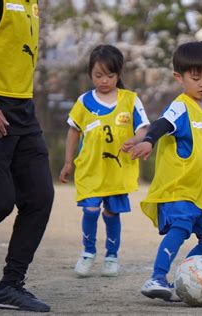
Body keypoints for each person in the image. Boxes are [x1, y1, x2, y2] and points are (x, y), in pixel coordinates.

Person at [130, 41, 202, 302]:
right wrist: (148, 140)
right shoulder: (180, 106)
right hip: (180, 188)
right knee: (179, 228)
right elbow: (162, 124)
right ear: (179, 77)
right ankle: (157, 277)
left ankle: (184, 274)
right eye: (196, 77)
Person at [59, 44, 149, 278]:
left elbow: (144, 128)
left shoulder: (130, 100)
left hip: (117, 172)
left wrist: (135, 139)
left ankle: (112, 256)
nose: (104, 80)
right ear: (90, 74)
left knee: (111, 214)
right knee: (90, 210)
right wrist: (68, 162)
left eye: (110, 75)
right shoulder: (84, 101)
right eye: (98, 75)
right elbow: (73, 131)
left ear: (119, 75)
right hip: (90, 169)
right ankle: (88, 253)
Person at [0, 0, 54, 312]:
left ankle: (9, 285)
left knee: (39, 197)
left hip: (24, 111)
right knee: (1, 200)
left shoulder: (32, 4)